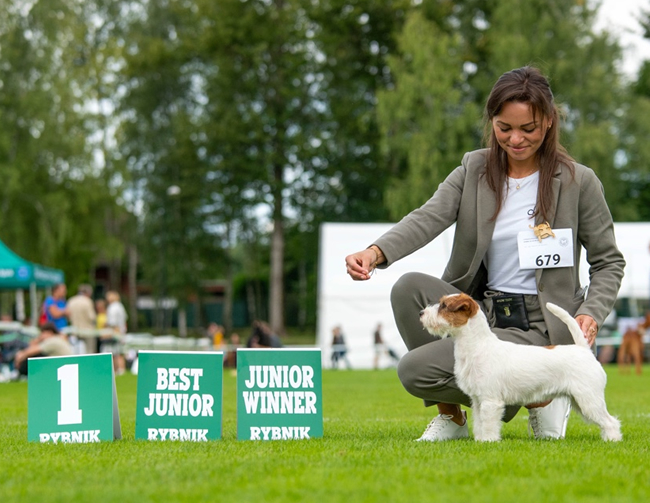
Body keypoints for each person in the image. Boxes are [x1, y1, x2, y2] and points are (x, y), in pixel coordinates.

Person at [345, 66, 625, 442]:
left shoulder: (578, 181)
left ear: (549, 122)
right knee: (407, 288)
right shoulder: (473, 168)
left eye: (528, 128)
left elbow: (608, 261)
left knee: (414, 368)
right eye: (503, 127)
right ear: (491, 120)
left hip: (540, 325)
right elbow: (428, 217)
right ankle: (456, 416)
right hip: (485, 312)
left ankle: (535, 396)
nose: (515, 139)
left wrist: (591, 311)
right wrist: (376, 252)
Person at [66, 284, 97, 353]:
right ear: (88, 293)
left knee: (76, 352)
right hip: (88, 331)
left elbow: (68, 317)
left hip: (75, 330)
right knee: (89, 352)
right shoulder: (88, 301)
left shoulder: (71, 301)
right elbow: (92, 317)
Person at [103, 291, 128, 375]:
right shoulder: (120, 306)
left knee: (114, 352)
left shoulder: (112, 307)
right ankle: (122, 369)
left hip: (115, 332)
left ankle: (116, 370)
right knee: (120, 352)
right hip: (122, 331)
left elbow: (113, 323)